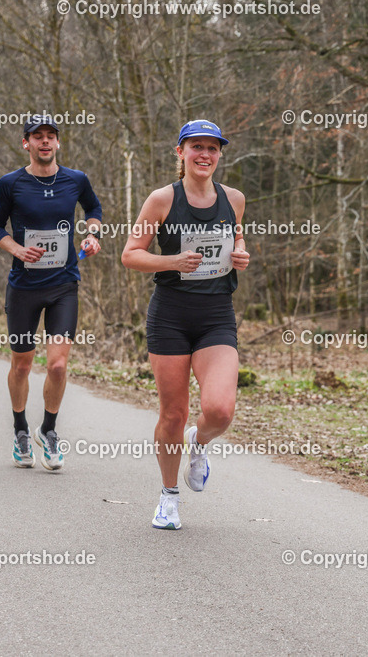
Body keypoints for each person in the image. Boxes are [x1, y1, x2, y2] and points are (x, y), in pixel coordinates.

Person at [121, 119, 250, 530]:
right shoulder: (161, 200)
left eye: (212, 148)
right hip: (171, 315)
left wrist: (242, 254)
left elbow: (237, 239)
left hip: (216, 315)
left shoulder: (234, 199)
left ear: (219, 155)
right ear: (180, 152)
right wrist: (172, 262)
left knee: (220, 410)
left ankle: (201, 441)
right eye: (196, 146)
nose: (205, 155)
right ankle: (169, 497)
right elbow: (130, 254)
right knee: (173, 414)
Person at [0, 114, 102, 471]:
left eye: (51, 135)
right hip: (24, 287)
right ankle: (21, 430)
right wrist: (16, 249)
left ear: (58, 142)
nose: (45, 142)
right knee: (22, 364)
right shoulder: (11, 183)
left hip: (64, 285)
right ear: (26, 143)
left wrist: (93, 233)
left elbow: (94, 209)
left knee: (57, 364)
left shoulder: (76, 180)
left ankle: (48, 431)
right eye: (38, 137)